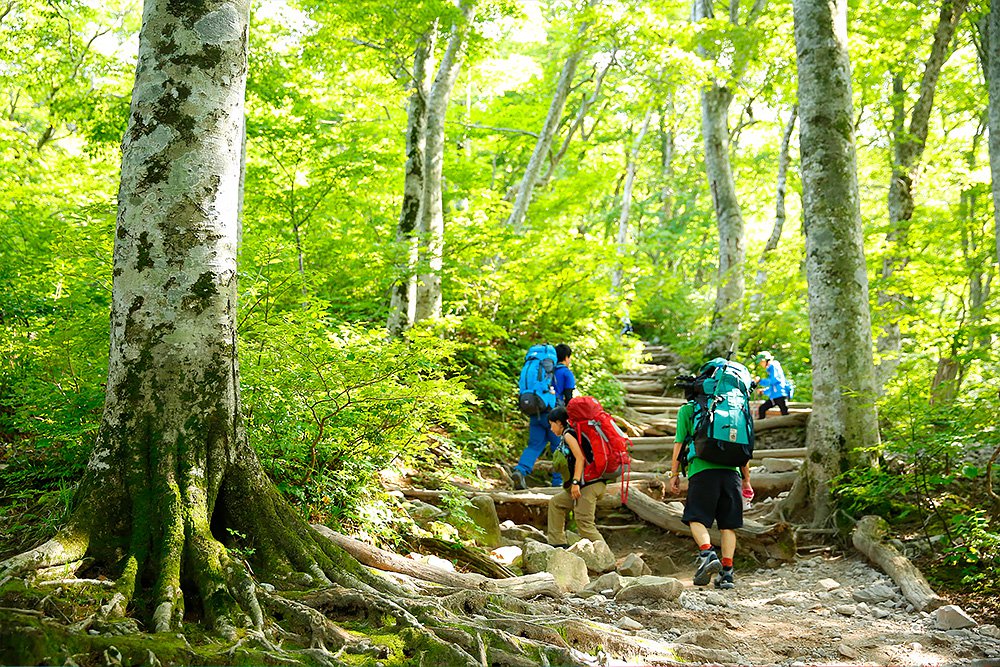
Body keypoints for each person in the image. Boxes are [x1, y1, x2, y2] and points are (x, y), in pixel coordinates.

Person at [669, 380, 753, 589]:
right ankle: (727, 573)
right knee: (728, 524)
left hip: (702, 471)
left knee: (695, 517)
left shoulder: (689, 410)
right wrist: (746, 480)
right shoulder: (736, 407)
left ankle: (707, 553)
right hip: (731, 472)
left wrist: (674, 474)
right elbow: (743, 447)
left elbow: (679, 443)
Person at [546, 406, 607, 547]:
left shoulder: (568, 434)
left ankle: (608, 559)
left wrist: (575, 482)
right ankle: (557, 545)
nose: (551, 429)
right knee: (556, 503)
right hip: (590, 483)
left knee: (584, 524)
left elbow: (580, 458)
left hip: (588, 485)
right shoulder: (572, 432)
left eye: (551, 425)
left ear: (559, 423)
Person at [755, 351, 792, 419]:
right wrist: (763, 391)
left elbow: (774, 380)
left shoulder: (773, 366)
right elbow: (774, 386)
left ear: (766, 360)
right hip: (776, 396)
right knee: (762, 409)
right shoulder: (771, 368)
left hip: (780, 395)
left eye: (761, 362)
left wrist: (760, 381)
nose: (760, 364)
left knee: (784, 413)